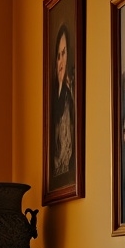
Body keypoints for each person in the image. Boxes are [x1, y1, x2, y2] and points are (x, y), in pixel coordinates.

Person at [49, 22, 74, 186]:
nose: (60, 61)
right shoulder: (52, 101)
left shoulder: (69, 96)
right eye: (58, 56)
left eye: (63, 54)